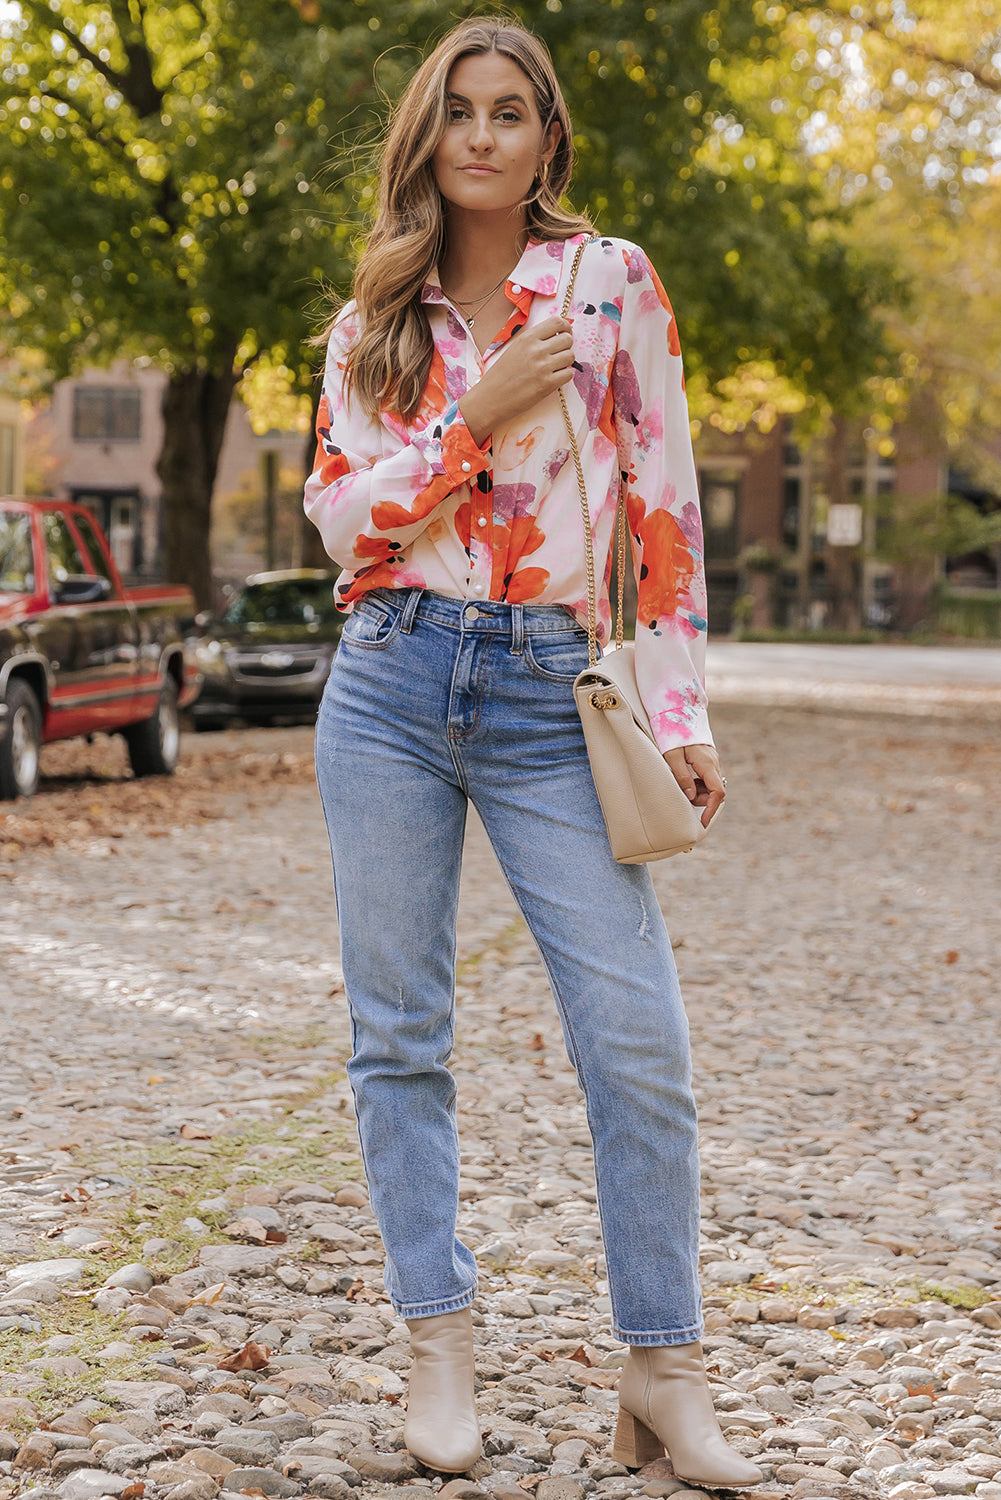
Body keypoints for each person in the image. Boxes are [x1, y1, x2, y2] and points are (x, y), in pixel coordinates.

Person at [304, 16, 760, 1489]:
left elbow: (663, 504)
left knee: (636, 1037)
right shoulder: (372, 318)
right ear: (428, 138)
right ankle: (436, 1346)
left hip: (550, 690)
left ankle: (663, 1368)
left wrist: (678, 711)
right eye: (460, 112)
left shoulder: (607, 281)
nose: (484, 136)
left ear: (547, 137)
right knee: (399, 1036)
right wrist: (469, 419)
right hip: (385, 678)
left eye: (511, 112)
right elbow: (339, 525)